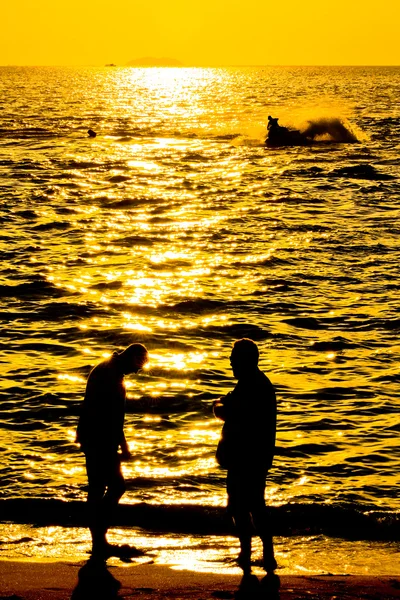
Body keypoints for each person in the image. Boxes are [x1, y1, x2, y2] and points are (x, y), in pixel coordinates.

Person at [76, 343, 149, 560]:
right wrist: (123, 445)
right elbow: (112, 416)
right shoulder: (110, 374)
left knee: (99, 488)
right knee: (114, 487)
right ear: (132, 357)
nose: (137, 371)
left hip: (94, 437)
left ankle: (99, 538)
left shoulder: (108, 369)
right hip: (99, 439)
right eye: (138, 365)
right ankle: (99, 536)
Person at [213, 338, 277, 575]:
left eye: (234, 358)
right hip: (252, 456)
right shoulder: (253, 383)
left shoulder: (252, 385)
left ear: (245, 360)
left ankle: (259, 554)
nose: (230, 362)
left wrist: (220, 407)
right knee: (246, 506)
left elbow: (227, 410)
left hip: (248, 457)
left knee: (248, 507)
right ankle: (253, 553)